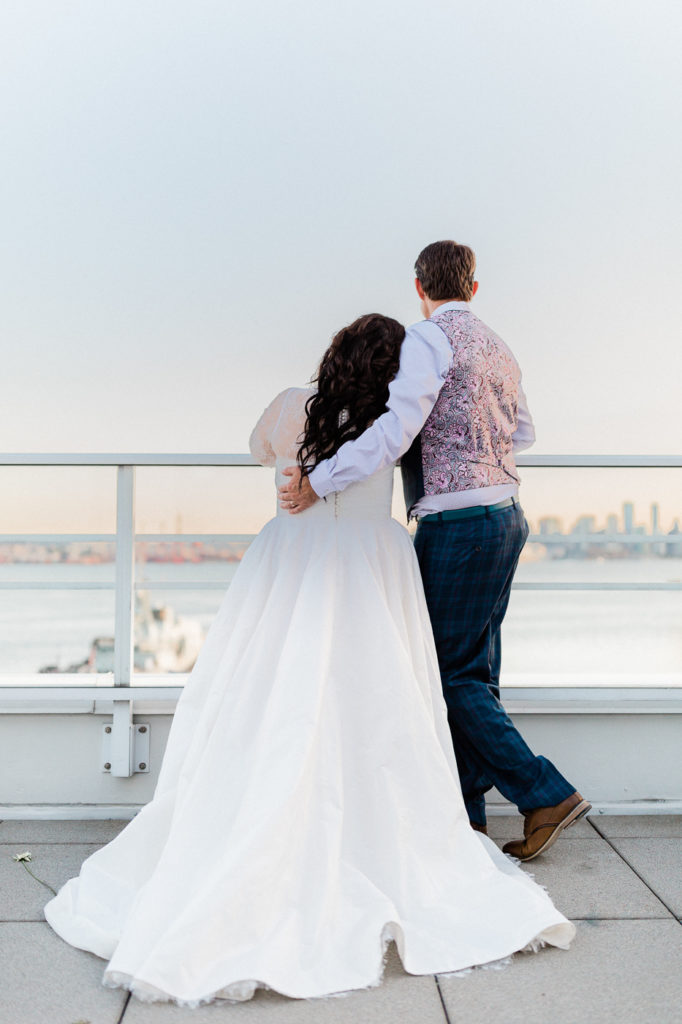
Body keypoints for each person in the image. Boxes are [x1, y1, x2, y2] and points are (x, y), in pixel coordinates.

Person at [44, 313, 574, 1008]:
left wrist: (303, 472)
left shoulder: (293, 403)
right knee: (376, 696)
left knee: (273, 691)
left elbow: (257, 449)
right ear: (394, 366)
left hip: (291, 557)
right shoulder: (395, 415)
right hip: (369, 560)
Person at [279, 241, 591, 861]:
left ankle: (544, 793)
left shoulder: (427, 340)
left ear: (419, 286)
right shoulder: (498, 344)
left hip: (459, 522)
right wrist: (475, 442)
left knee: (446, 673)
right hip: (506, 513)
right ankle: (467, 818)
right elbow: (523, 430)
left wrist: (320, 479)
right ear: (474, 287)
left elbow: (398, 428)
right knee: (477, 672)